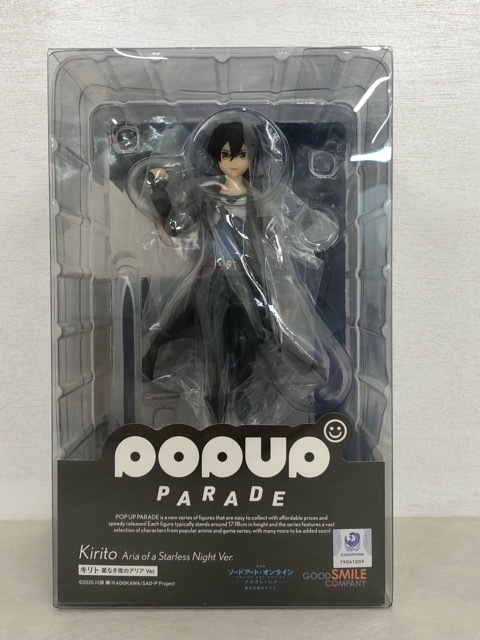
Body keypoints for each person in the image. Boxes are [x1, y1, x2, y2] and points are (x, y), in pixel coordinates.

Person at [141, 110, 351, 426]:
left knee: (262, 332)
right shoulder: (203, 195)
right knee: (213, 351)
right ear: (216, 157)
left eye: (241, 154)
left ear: (252, 158)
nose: (234, 162)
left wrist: (301, 250)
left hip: (248, 280)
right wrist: (158, 189)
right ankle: (214, 416)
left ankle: (289, 370)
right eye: (227, 155)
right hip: (212, 279)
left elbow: (275, 244)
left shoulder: (259, 199)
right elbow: (175, 227)